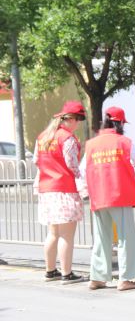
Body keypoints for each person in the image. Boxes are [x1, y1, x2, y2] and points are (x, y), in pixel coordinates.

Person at [83, 106, 135, 291]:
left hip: (98, 195)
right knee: (126, 238)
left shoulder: (91, 144)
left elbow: (83, 168)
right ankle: (126, 278)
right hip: (120, 194)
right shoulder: (124, 142)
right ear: (120, 123)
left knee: (101, 238)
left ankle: (97, 277)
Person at [33, 100, 87, 285]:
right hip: (64, 190)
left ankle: (50, 271)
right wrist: (82, 182)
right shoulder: (68, 139)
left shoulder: (43, 137)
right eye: (79, 119)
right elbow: (72, 164)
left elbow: (36, 161)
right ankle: (67, 273)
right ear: (70, 119)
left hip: (46, 190)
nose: (78, 123)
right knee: (67, 235)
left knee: (53, 233)